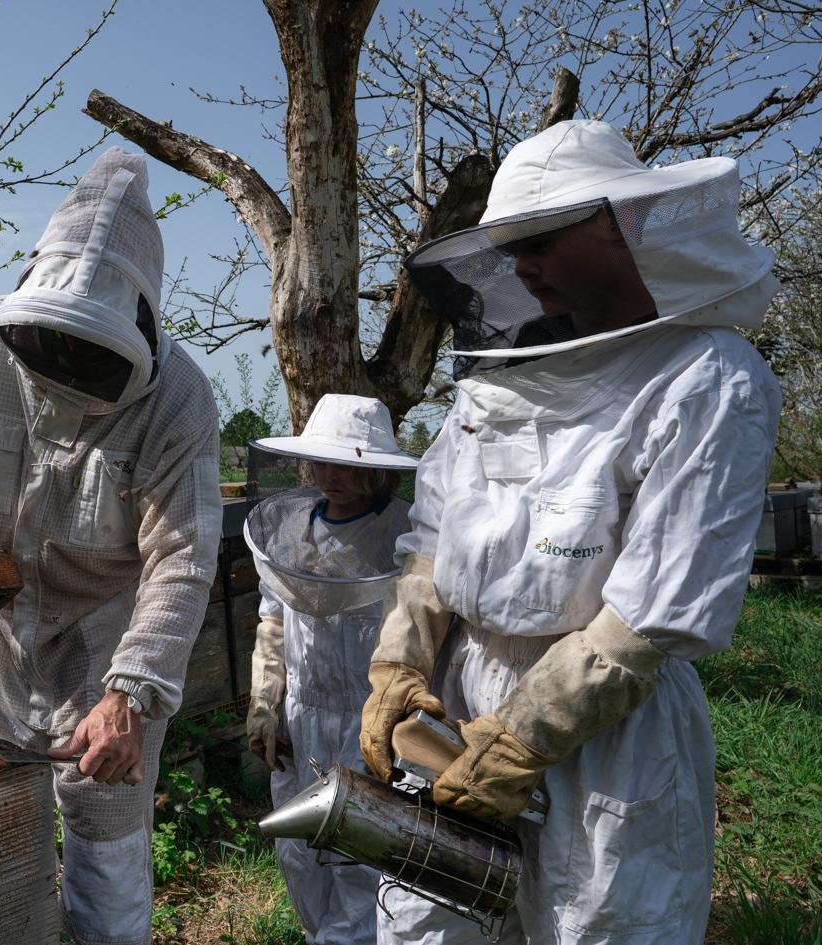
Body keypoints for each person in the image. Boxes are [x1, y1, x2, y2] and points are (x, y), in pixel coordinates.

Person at [360, 119, 781, 944]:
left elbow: (651, 613)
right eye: (509, 248)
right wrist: (398, 661)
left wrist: (522, 736)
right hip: (454, 700)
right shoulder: (492, 386)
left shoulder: (709, 378)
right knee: (425, 925)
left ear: (619, 226)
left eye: (542, 239)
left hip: (602, 727)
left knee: (600, 925)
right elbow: (432, 546)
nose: (521, 267)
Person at [0, 147, 222, 945]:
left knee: (105, 848)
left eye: (87, 353)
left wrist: (130, 694)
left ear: (138, 322)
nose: (63, 369)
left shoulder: (178, 399)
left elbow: (182, 556)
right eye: (50, 345)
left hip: (108, 651)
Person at [243, 394, 417, 945]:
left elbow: (421, 626)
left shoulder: (402, 532)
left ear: (377, 470)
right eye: (322, 461)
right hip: (303, 713)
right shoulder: (291, 527)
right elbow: (272, 620)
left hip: (371, 717)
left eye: (347, 464)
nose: (331, 475)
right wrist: (266, 703)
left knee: (363, 858)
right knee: (300, 851)